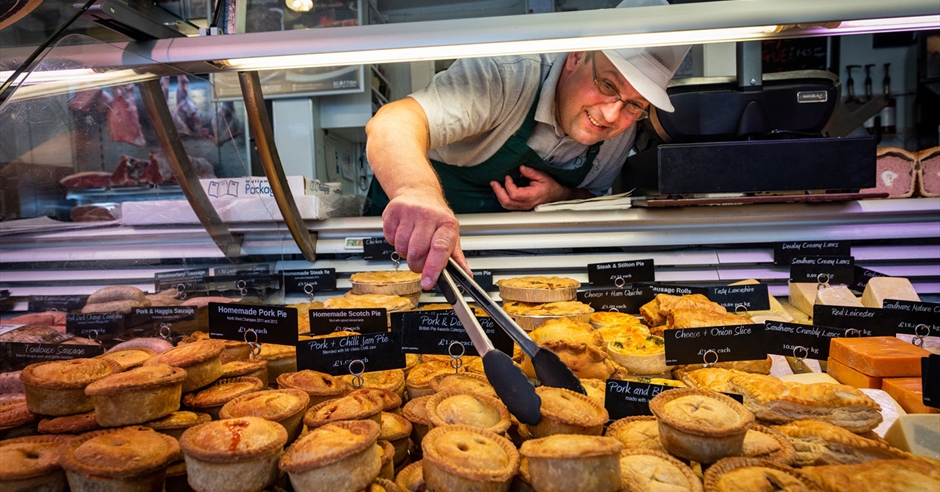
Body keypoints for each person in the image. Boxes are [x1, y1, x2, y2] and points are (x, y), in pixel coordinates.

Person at [364, 0, 690, 290]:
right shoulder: (507, 74)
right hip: (406, 246)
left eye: (635, 104)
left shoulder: (621, 132)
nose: (611, 114)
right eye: (607, 84)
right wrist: (418, 193)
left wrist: (560, 196)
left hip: (503, 263)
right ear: (577, 56)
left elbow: (597, 202)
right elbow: (392, 121)